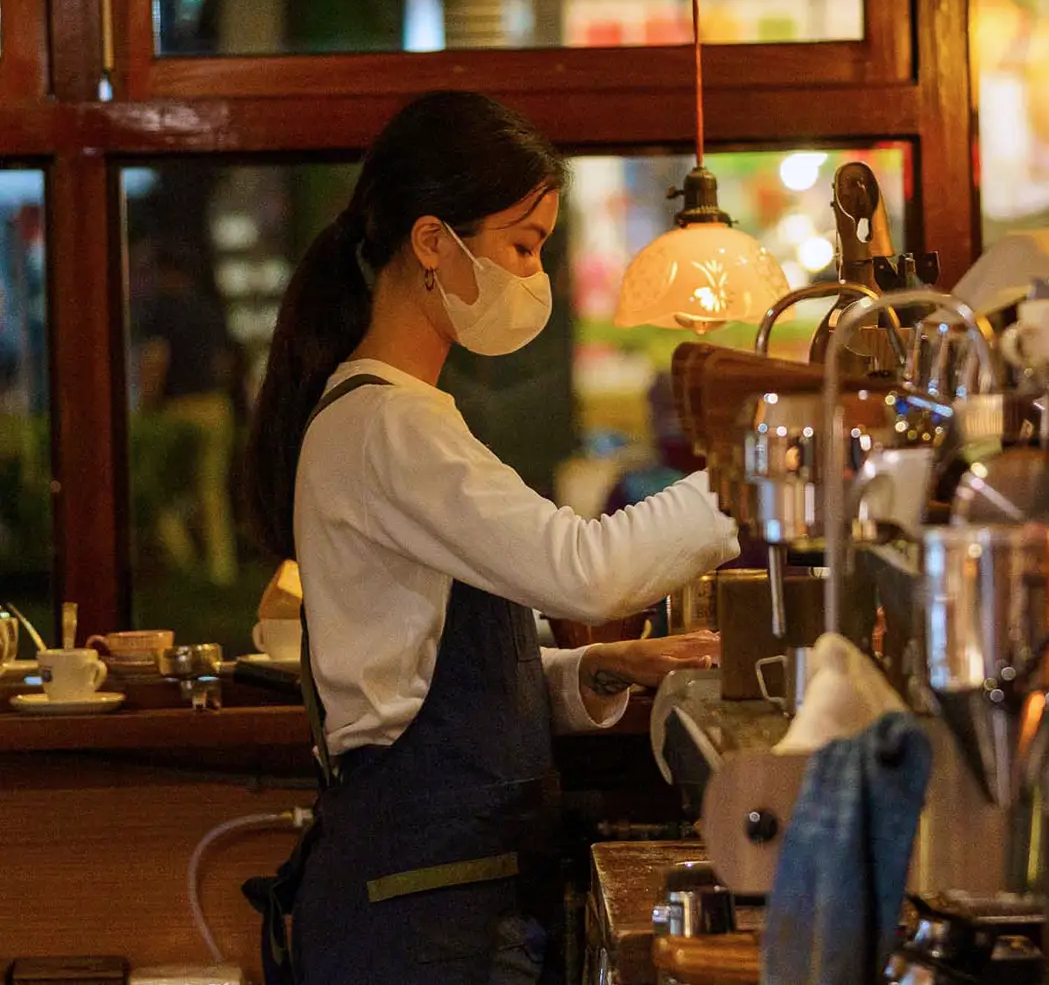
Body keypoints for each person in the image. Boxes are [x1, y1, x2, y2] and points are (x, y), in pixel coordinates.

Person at [242, 91, 737, 984]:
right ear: (433, 243)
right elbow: (584, 572)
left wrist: (597, 670)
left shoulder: (401, 415)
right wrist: (756, 474)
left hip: (439, 894)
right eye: (522, 244)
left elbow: (423, 678)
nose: (532, 274)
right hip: (418, 915)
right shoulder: (389, 427)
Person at [133, 245, 240, 585]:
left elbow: (156, 359)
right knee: (211, 491)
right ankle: (222, 570)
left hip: (178, 409)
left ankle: (186, 565)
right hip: (214, 405)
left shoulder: (160, 311)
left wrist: (147, 405)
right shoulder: (208, 309)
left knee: (162, 493)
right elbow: (225, 362)